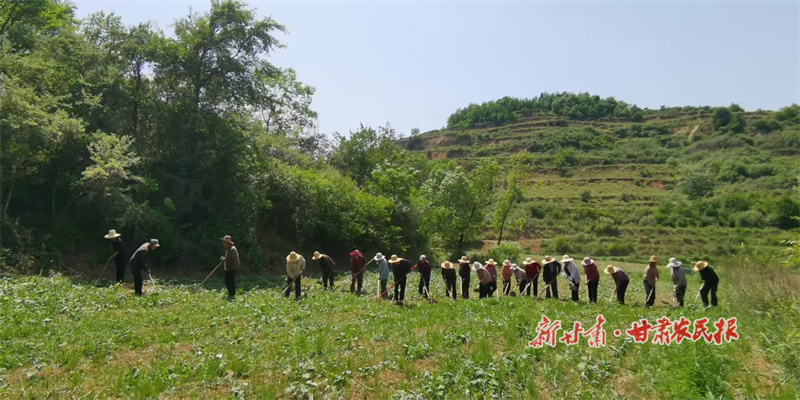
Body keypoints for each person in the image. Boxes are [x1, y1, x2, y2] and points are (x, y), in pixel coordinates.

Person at [220, 235, 240, 301]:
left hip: (231, 268)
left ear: (227, 243)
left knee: (230, 282)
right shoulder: (228, 249)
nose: (223, 243)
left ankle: (232, 294)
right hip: (228, 268)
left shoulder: (232, 249)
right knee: (227, 281)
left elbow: (232, 259)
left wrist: (225, 259)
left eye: (224, 242)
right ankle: (230, 293)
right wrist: (224, 259)